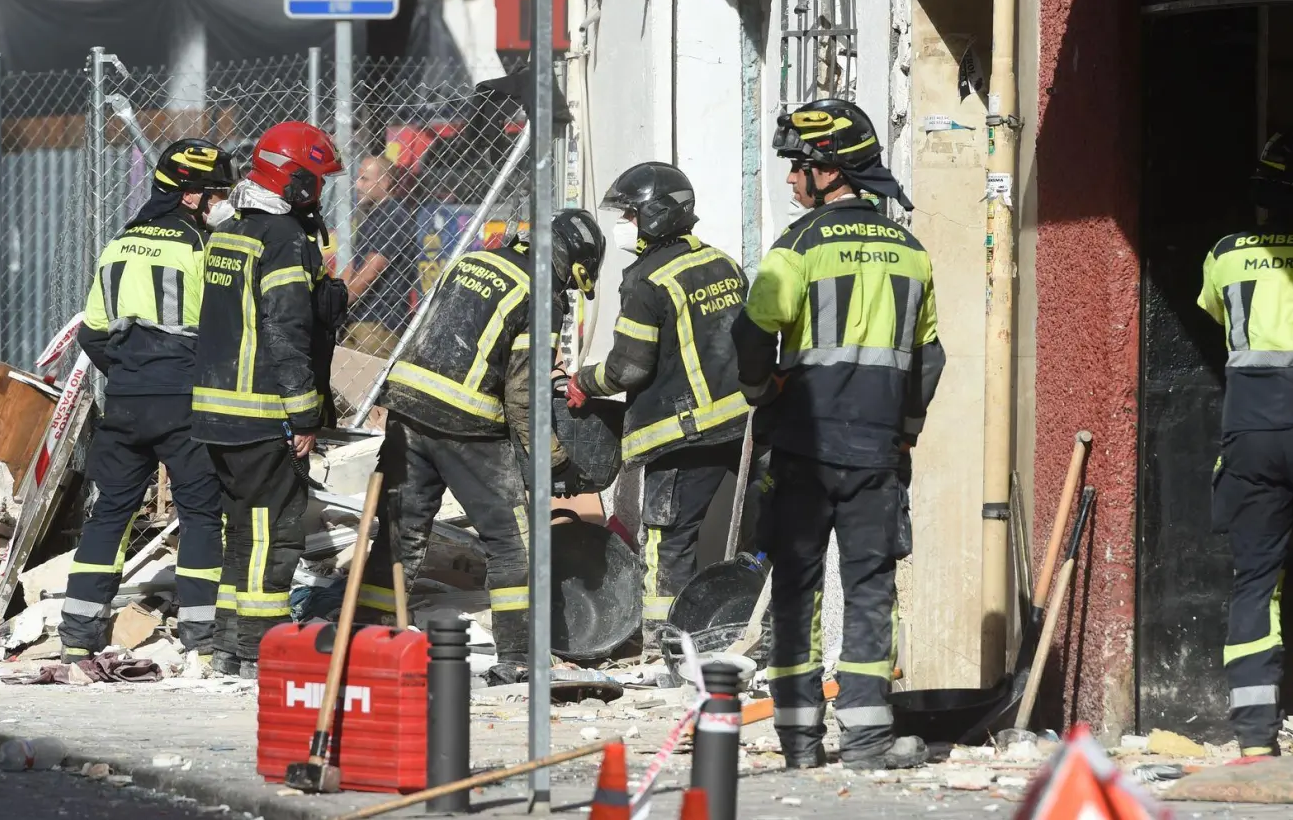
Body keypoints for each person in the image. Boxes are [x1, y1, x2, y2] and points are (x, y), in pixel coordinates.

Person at [732, 99, 943, 771]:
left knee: (797, 589)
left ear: (830, 173)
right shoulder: (911, 250)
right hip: (878, 452)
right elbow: (929, 359)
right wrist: (905, 432)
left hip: (801, 449)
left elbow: (751, 330)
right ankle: (867, 741)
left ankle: (799, 744)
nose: (792, 180)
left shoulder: (796, 247)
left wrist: (763, 393)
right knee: (871, 590)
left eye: (800, 167)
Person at [353, 210, 604, 672]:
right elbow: (523, 394)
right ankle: (518, 657)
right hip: (466, 422)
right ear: (573, 262)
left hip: (407, 406)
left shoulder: (477, 259)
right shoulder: (541, 292)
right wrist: (555, 460)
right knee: (512, 543)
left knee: (399, 532)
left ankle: (366, 639)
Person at [59, 140, 238, 665]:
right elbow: (223, 331)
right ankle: (203, 642)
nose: (221, 202)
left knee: (109, 513)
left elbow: (91, 333)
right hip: (183, 397)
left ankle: (77, 636)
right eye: (216, 194)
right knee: (202, 514)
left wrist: (131, 370)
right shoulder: (200, 248)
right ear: (190, 197)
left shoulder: (117, 245)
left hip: (126, 398)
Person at [565, 162, 750, 653]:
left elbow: (628, 369)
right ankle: (748, 633)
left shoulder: (646, 281)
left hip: (681, 432)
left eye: (629, 213)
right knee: (756, 532)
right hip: (743, 425)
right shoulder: (723, 263)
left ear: (655, 215)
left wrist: (583, 381)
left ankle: (664, 647)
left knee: (669, 544)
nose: (624, 224)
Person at [192, 121, 348, 678]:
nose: (323, 193)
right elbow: (285, 333)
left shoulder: (230, 230)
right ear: (297, 182)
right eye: (319, 182)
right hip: (262, 412)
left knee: (242, 533)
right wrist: (304, 412)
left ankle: (231, 648)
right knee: (272, 535)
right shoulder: (282, 241)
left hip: (217, 413)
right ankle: (261, 651)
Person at [1197, 130, 1293, 758]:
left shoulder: (1225, 254)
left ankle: (1254, 735)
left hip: (1251, 430)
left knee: (1256, 577)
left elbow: (1217, 315)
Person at [340, 155, 416, 358]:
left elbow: (371, 271)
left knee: (363, 385)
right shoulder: (372, 217)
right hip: (359, 318)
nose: (357, 185)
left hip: (379, 323)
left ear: (384, 182)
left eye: (364, 179)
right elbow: (353, 268)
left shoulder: (394, 215)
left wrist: (335, 303)